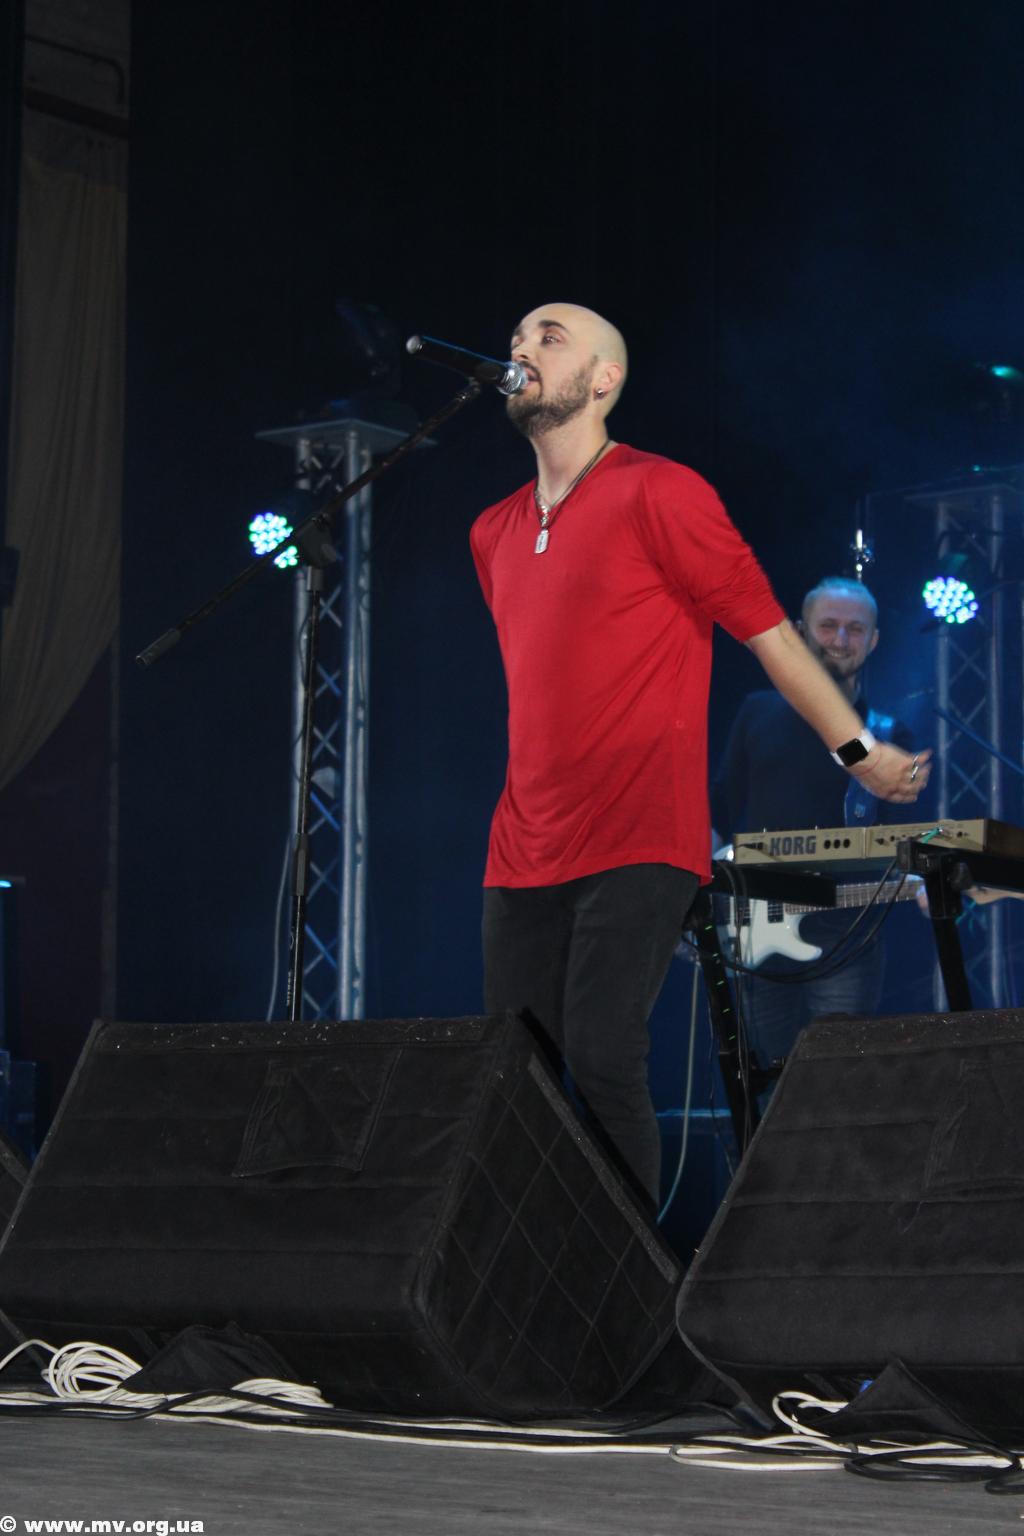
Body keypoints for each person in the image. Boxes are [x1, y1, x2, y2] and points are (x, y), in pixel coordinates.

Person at [469, 301, 930, 1207]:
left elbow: (769, 633)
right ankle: (533, 1264)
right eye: (517, 338)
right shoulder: (492, 530)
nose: (521, 348)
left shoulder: (660, 490)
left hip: (638, 833)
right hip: (522, 841)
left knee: (601, 1055)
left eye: (549, 337)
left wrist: (858, 751)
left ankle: (628, 1274)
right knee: (513, 1067)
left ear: (603, 379)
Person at [710, 576, 920, 1077]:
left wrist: (927, 883)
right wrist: (713, 898)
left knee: (837, 1083)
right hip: (754, 938)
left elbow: (907, 844)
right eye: (828, 626)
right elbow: (716, 812)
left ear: (874, 640)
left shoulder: (889, 734)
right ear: (801, 632)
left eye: (855, 629)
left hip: (847, 943)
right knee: (766, 1084)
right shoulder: (757, 712)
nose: (841, 639)